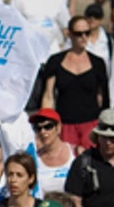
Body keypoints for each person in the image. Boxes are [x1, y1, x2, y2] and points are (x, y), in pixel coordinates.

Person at [43, 15, 110, 152]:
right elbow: (48, 95)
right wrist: (46, 124)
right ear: (70, 34)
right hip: (64, 124)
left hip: (91, 124)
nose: (83, 37)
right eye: (78, 33)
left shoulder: (98, 63)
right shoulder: (55, 61)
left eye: (87, 33)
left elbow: (102, 97)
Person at [30, 108, 75, 195]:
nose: (43, 132)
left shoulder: (75, 152)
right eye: (38, 128)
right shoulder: (33, 158)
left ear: (58, 127)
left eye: (48, 127)